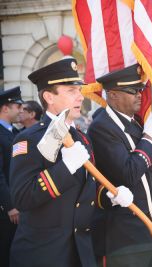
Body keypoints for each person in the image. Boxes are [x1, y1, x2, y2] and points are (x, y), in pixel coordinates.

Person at [9, 58, 130, 267]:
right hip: (44, 254)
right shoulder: (29, 139)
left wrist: (109, 195)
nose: (80, 96)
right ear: (49, 96)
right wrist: (64, 168)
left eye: (79, 90)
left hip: (80, 251)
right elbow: (22, 197)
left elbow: (86, 188)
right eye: (71, 91)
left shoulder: (82, 138)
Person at [88, 64, 152, 267]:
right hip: (126, 234)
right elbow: (129, 173)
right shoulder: (101, 128)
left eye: (139, 90)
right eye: (132, 91)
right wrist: (149, 138)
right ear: (113, 95)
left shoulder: (134, 123)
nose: (139, 95)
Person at [0, 86, 23, 267]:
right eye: (17, 106)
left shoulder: (14, 132)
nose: (20, 110)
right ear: (5, 108)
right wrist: (10, 205)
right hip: (7, 208)